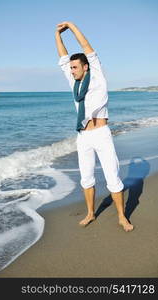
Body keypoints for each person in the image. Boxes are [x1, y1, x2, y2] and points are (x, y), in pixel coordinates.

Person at [55, 21, 134, 232]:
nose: (71, 70)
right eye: (70, 68)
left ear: (86, 66)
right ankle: (90, 213)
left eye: (75, 67)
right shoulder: (74, 83)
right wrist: (58, 36)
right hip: (83, 136)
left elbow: (88, 47)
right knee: (86, 177)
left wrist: (71, 27)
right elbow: (63, 59)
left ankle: (122, 217)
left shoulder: (97, 76)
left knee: (112, 177)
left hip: (101, 134)